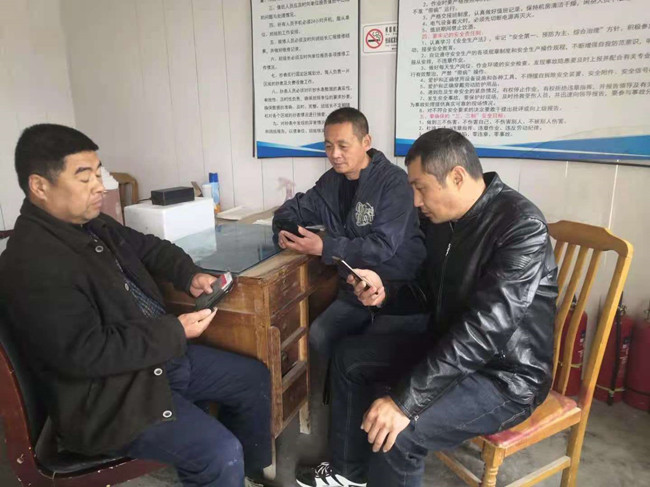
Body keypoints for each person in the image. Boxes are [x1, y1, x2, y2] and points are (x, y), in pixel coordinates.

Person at [0, 124, 272, 487]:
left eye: (99, 174)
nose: (100, 186)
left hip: (156, 360)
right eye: (84, 178)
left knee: (252, 378)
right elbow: (85, 353)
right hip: (109, 399)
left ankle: (247, 477)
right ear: (39, 186)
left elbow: (150, 248)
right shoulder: (31, 263)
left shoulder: (91, 224)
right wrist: (174, 331)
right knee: (218, 452)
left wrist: (188, 275)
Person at [295, 128, 558, 487]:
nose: (416, 202)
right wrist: (384, 293)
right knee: (348, 357)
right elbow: (426, 290)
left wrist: (405, 402)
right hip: (447, 345)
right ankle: (349, 475)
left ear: (457, 177)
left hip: (504, 377)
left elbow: (485, 331)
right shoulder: (443, 222)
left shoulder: (521, 227)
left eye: (421, 188)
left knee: (400, 432)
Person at [273, 107, 426, 360]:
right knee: (318, 335)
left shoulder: (394, 182)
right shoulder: (330, 183)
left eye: (343, 146)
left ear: (366, 142)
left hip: (397, 291)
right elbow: (292, 210)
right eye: (328, 146)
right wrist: (285, 231)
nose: (334, 154)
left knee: (364, 351)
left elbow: (381, 246)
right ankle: (331, 386)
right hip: (354, 291)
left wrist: (324, 247)